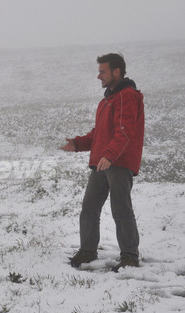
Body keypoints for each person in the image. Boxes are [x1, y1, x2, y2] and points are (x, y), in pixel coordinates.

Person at [61, 53, 145, 272]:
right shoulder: (107, 100)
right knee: (89, 208)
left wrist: (109, 155)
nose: (98, 76)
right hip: (103, 162)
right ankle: (88, 252)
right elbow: (99, 133)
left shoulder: (127, 96)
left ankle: (129, 257)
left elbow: (125, 132)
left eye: (103, 71)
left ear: (117, 71)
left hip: (118, 161)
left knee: (121, 209)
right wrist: (78, 144)